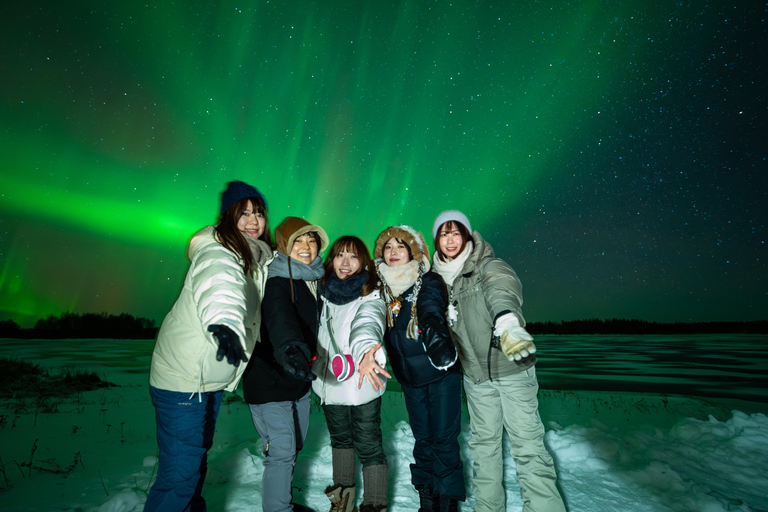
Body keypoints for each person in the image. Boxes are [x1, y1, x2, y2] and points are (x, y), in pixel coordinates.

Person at [146, 180, 274, 511]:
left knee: (194, 461)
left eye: (258, 213)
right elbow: (220, 285)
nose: (252, 220)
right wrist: (225, 325)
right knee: (180, 475)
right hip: (184, 378)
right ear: (227, 217)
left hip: (209, 377)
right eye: (243, 213)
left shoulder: (256, 257)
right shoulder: (219, 251)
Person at [431, 210, 566, 512]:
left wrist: (507, 322)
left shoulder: (487, 266)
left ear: (467, 235)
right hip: (475, 378)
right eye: (443, 233)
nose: (450, 239)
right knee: (484, 449)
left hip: (511, 369)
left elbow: (503, 290)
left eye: (456, 232)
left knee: (528, 447)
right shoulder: (436, 282)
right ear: (436, 240)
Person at [373, 225, 465, 512]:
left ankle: (448, 501)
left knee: (444, 439)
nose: (394, 252)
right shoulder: (381, 289)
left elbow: (430, 308)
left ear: (413, 251)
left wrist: (436, 335)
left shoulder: (429, 281)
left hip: (440, 373)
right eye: (388, 247)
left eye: (401, 246)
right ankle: (427, 497)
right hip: (411, 380)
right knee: (423, 439)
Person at [242, 216, 329, 512]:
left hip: (298, 380)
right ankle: (278, 508)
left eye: (311, 240)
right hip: (269, 377)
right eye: (298, 241)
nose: (306, 246)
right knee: (281, 449)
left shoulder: (314, 279)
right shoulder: (277, 280)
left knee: (295, 444)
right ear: (284, 245)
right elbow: (280, 318)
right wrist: (291, 348)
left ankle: (284, 501)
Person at [313, 236, 391, 512]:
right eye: (340, 255)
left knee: (369, 446)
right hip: (330, 383)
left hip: (362, 381)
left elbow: (367, 324)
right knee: (341, 443)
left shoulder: (370, 293)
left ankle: (374, 504)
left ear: (364, 262)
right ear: (331, 259)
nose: (345, 263)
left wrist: (366, 352)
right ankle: (342, 504)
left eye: (353, 257)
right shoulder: (321, 291)